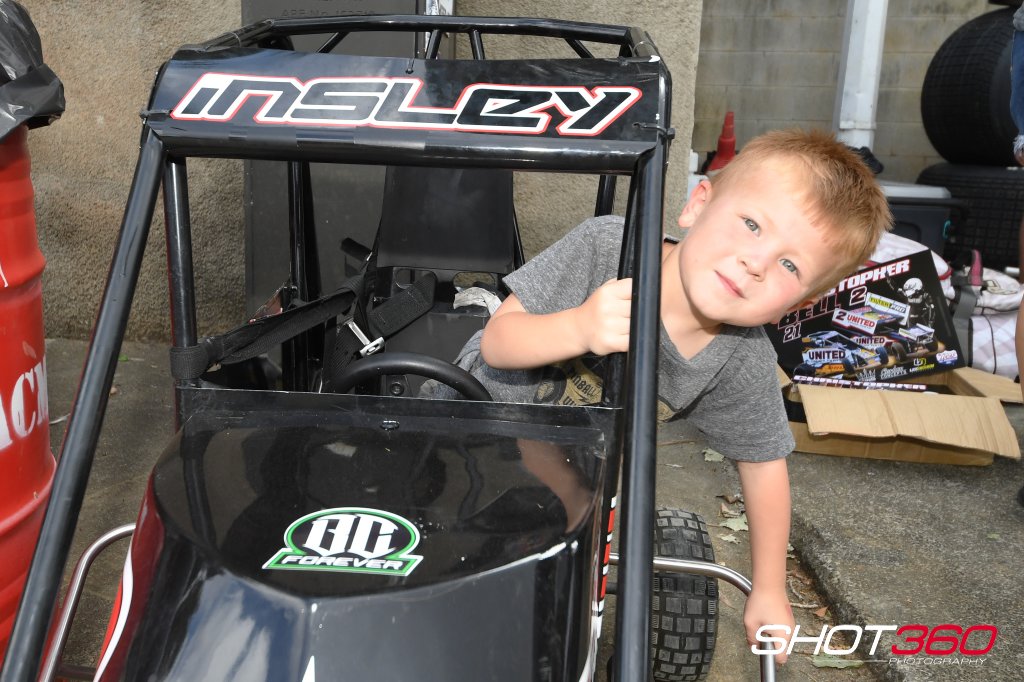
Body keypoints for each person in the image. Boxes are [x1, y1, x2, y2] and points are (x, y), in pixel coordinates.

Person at [427, 128, 891, 661]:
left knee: (535, 620)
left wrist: (768, 588)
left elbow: (765, 466)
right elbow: (497, 343)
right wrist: (580, 326)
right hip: (458, 428)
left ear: (797, 306)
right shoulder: (609, 248)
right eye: (752, 224)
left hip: (561, 483)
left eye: (790, 265)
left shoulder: (739, 358)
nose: (757, 262)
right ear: (698, 205)